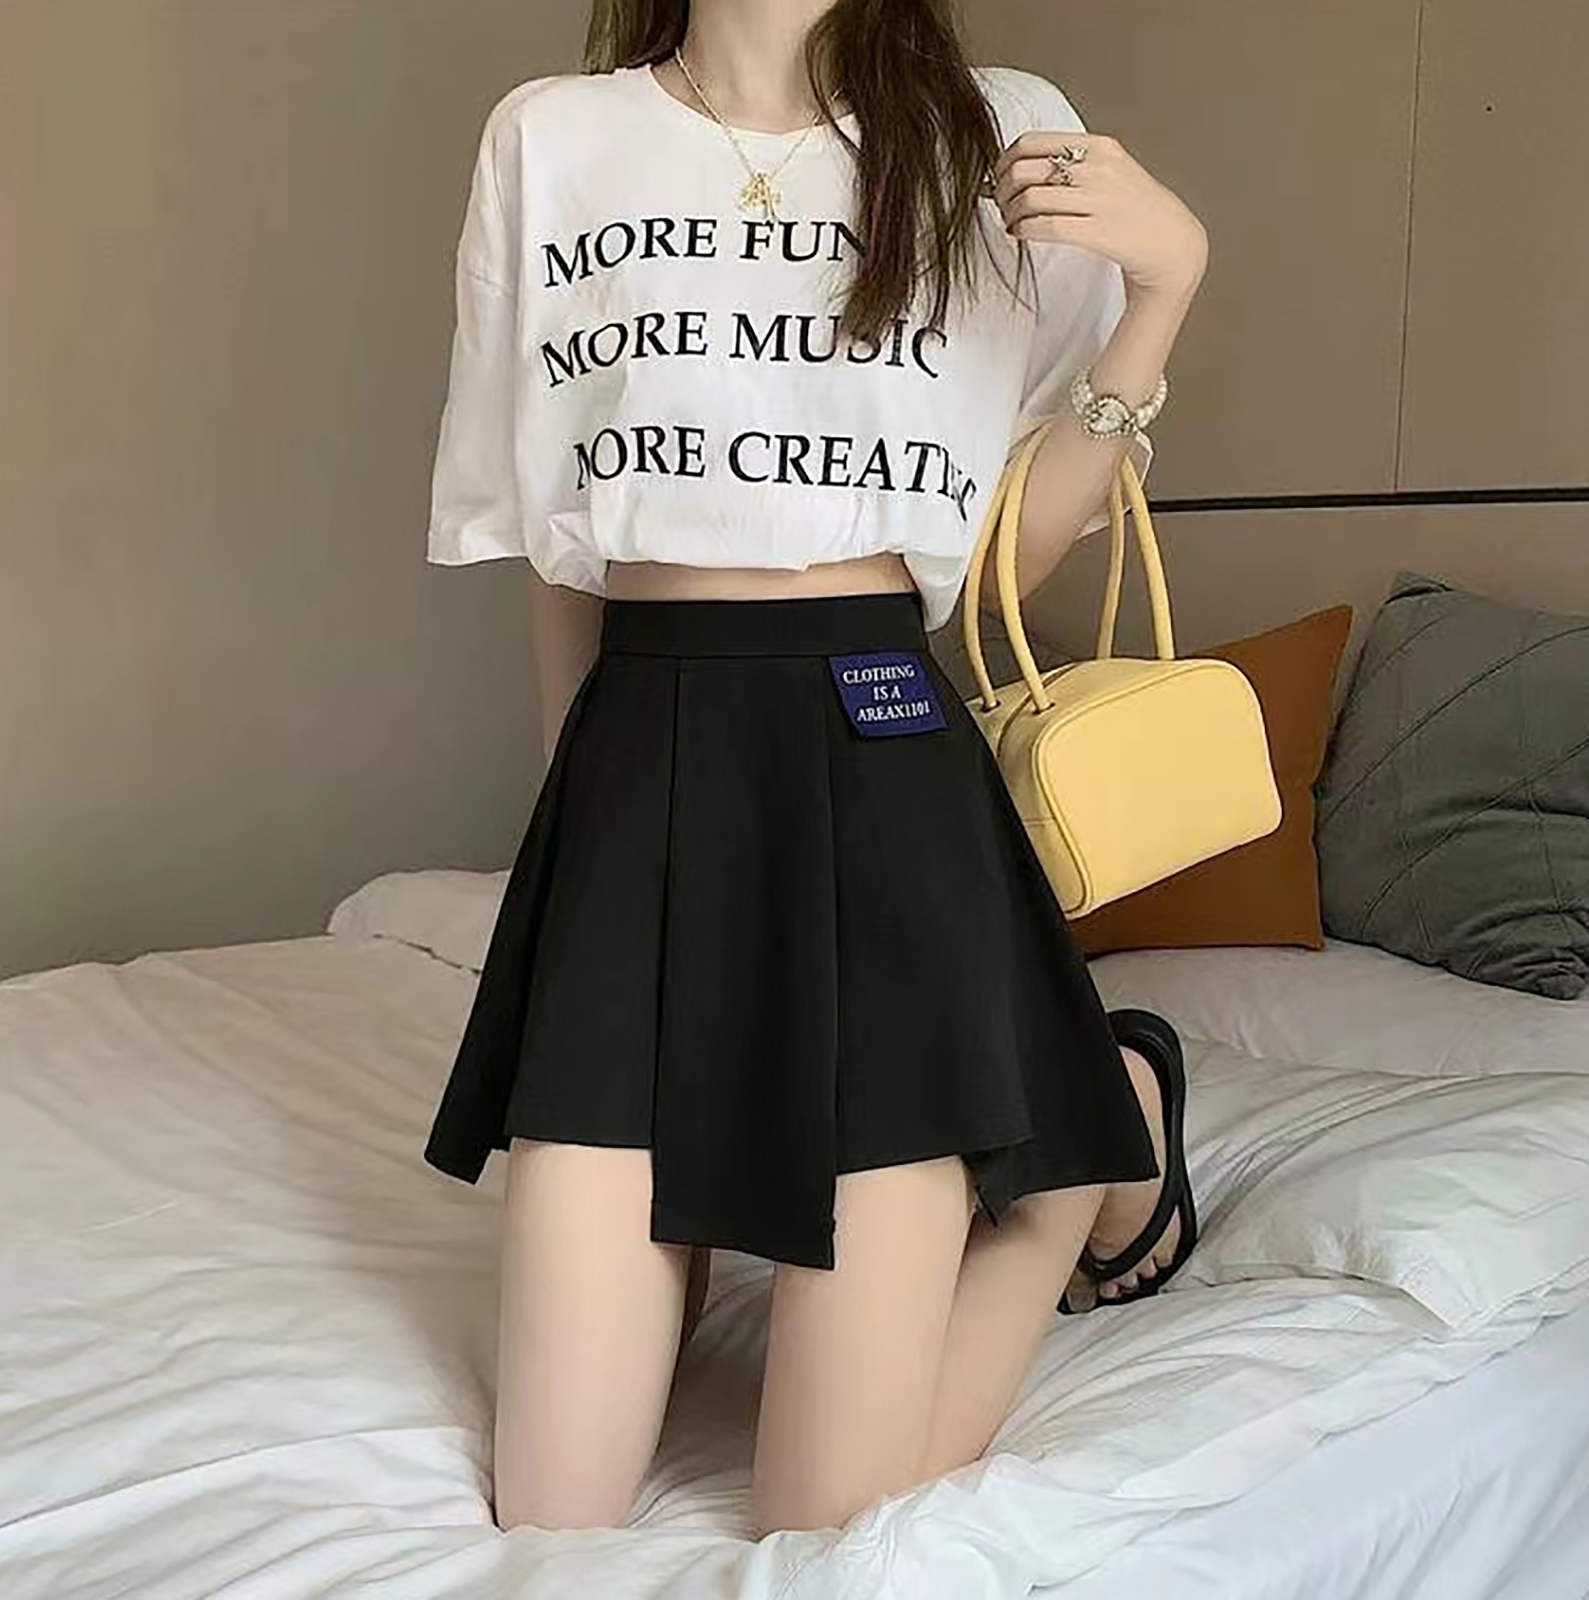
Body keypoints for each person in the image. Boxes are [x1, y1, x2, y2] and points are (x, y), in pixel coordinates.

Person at [420, 0, 1209, 1540]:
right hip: (642, 754)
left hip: (875, 760)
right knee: (553, 1511)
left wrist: (1163, 293)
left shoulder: (994, 133)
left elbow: (1000, 560)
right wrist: (577, 844)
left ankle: (1081, 1154)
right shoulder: (552, 141)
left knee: (822, 1521)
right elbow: (558, 550)